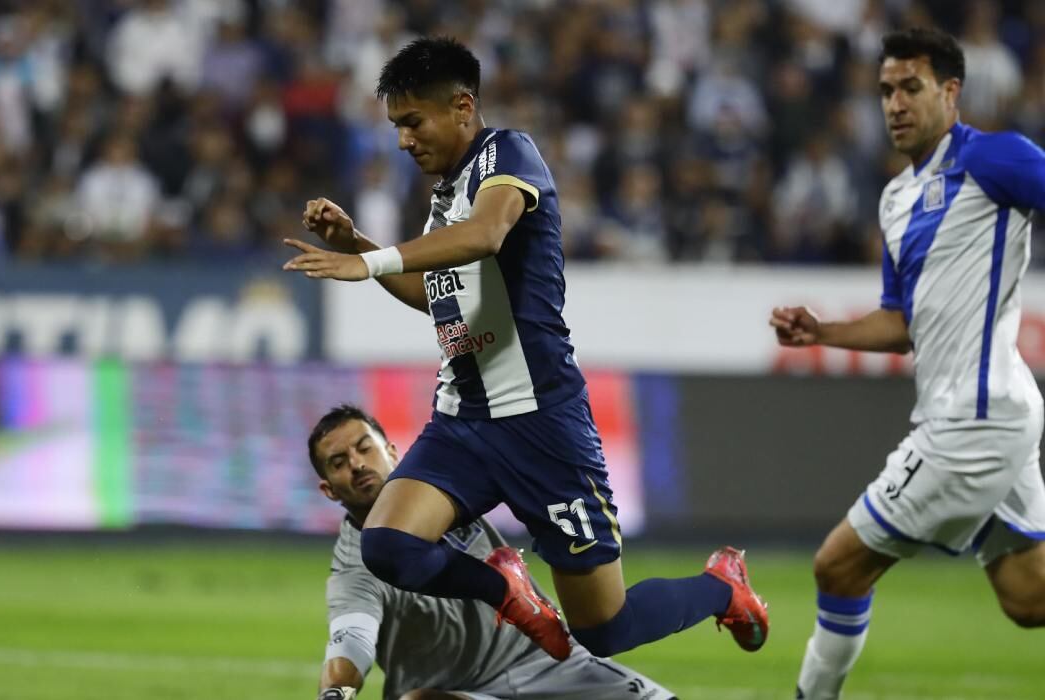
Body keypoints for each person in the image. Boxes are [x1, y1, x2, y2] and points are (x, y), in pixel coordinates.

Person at [283, 36, 768, 661]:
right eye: (397, 126)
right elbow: (438, 295)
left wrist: (371, 261)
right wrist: (355, 244)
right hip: (464, 422)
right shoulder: (443, 198)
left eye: (412, 122)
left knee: (603, 629)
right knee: (387, 546)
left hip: (541, 424)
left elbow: (486, 236)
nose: (403, 140)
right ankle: (505, 587)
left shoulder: (507, 154)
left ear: (461, 106)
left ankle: (719, 589)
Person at [769, 28, 1045, 700]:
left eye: (911, 88)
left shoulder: (994, 160)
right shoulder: (895, 201)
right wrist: (823, 331)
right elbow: (900, 325)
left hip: (970, 422)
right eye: (887, 90)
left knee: (837, 566)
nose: (894, 103)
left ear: (951, 93)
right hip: (988, 413)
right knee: (1027, 599)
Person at [310, 405, 675, 700]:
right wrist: (335, 695)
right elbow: (351, 642)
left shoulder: (447, 485)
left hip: (549, 661)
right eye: (339, 462)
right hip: (457, 693)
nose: (357, 464)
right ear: (328, 490)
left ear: (391, 450)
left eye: (364, 447)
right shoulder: (356, 568)